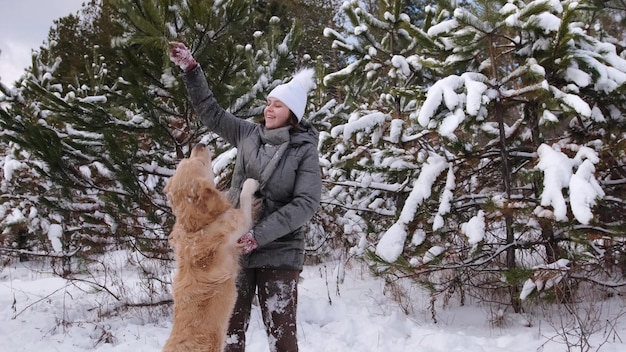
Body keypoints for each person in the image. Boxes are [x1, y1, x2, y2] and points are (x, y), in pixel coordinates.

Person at [169, 42, 322, 352]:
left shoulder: (304, 151)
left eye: (278, 105)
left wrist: (259, 236)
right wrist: (192, 71)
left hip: (280, 252)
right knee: (229, 336)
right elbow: (210, 112)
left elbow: (306, 204)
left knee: (282, 340)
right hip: (234, 251)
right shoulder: (247, 134)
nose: (269, 109)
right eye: (269, 102)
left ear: (293, 113)